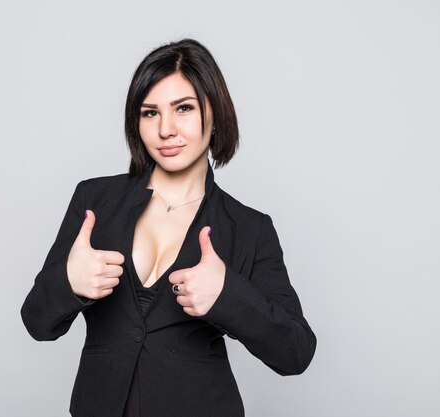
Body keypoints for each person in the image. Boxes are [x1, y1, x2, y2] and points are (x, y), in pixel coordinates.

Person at [21, 38, 316, 417]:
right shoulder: (94, 200)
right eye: (150, 113)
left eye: (184, 109)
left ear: (215, 112)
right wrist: (68, 281)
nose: (166, 129)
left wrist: (228, 295)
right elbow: (36, 322)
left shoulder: (248, 228)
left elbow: (296, 353)